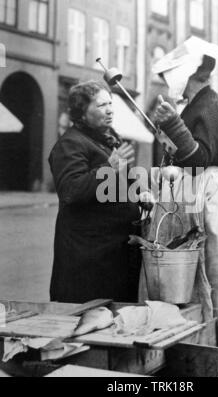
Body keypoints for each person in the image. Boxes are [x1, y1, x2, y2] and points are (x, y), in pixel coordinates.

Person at [153, 53, 218, 319]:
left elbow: (199, 160)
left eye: (171, 75)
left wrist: (173, 125)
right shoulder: (195, 105)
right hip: (193, 191)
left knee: (217, 267)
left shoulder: (212, 106)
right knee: (189, 270)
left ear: (186, 74)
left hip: (209, 195)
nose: (168, 82)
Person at [49, 80, 145, 304]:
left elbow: (120, 182)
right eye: (101, 105)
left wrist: (140, 194)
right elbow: (71, 190)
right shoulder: (70, 144)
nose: (110, 109)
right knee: (89, 319)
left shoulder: (106, 140)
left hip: (112, 254)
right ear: (82, 113)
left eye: (110, 103)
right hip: (89, 259)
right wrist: (111, 166)